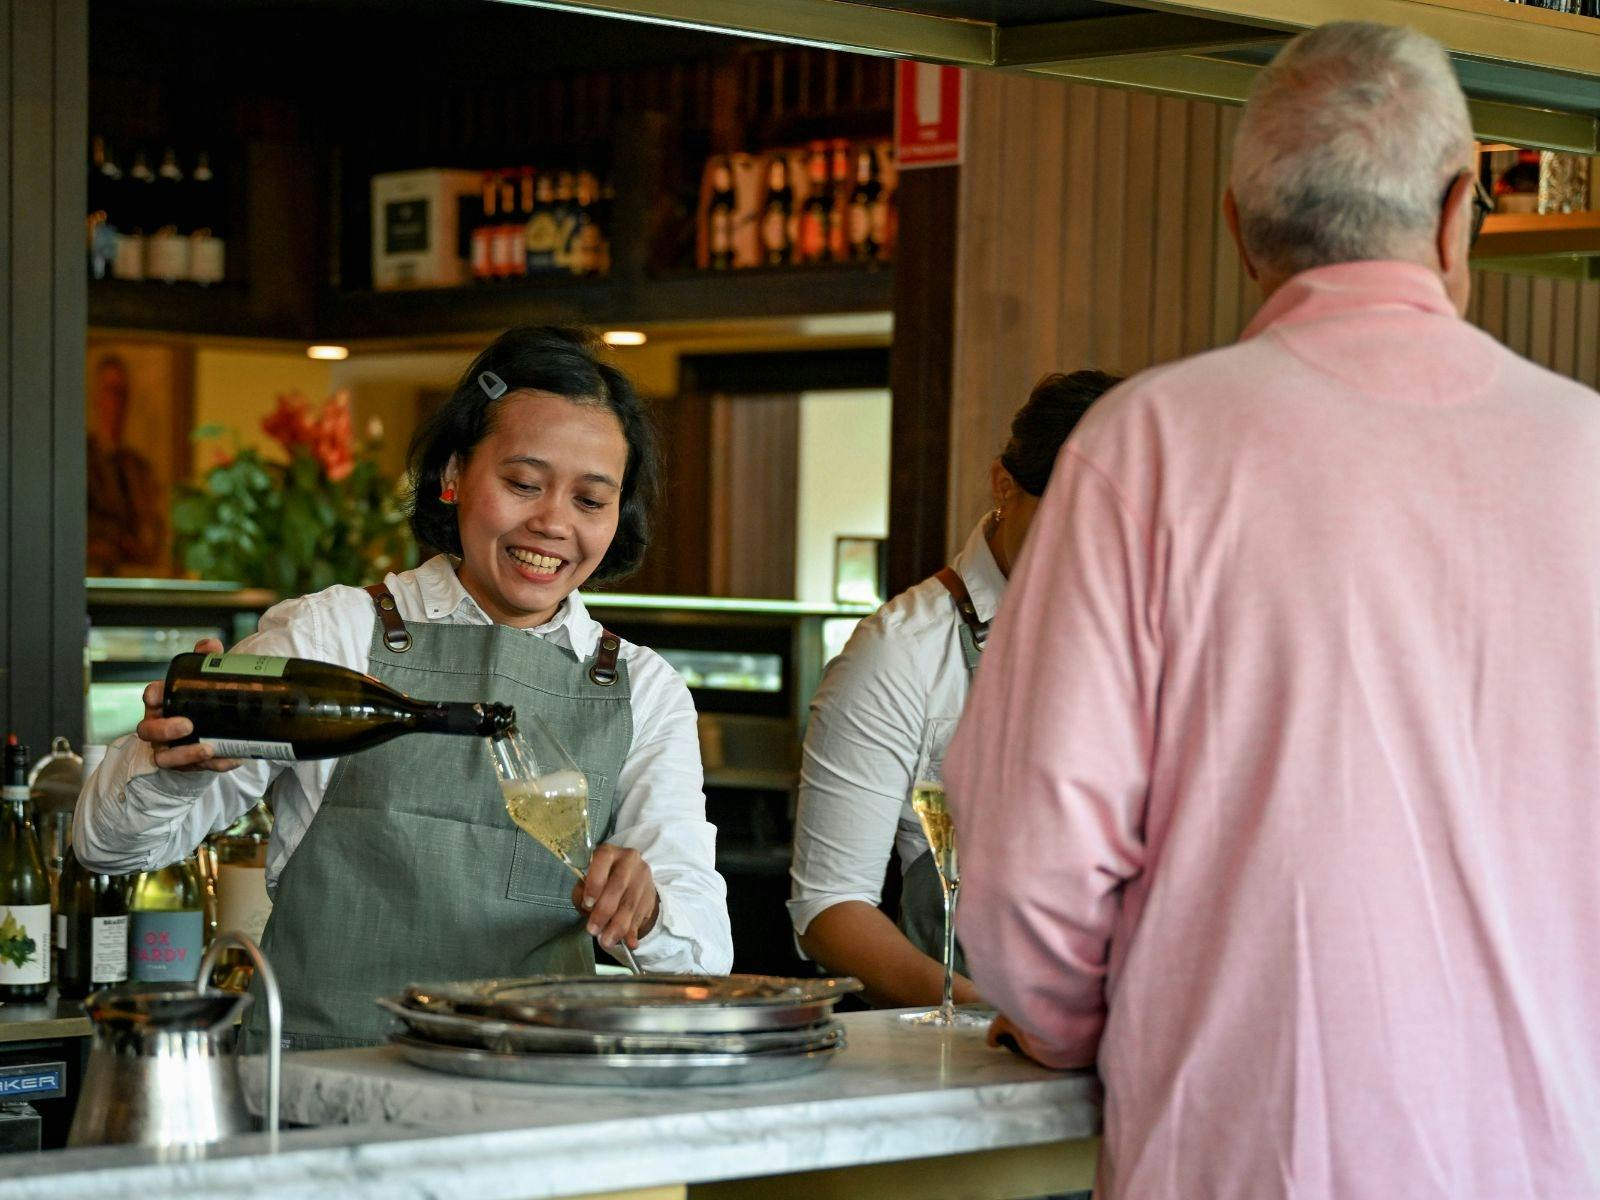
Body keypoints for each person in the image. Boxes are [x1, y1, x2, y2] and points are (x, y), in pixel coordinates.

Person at [948, 21, 1600, 1200]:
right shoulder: (1590, 455)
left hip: (1242, 1157)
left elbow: (1025, 874)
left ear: (1239, 228)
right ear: (1461, 214)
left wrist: (1070, 1025)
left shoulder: (1146, 450)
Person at [77, 326, 733, 1049]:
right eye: (523, 484)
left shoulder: (642, 689)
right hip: (316, 1097)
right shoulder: (335, 635)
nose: (552, 523)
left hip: (532, 1103)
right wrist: (174, 771)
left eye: (591, 500)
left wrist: (644, 912)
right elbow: (105, 847)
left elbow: (705, 951)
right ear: (454, 476)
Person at [789, 371, 1119, 1007]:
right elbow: (829, 909)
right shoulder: (901, 652)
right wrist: (990, 1020)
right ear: (1005, 486)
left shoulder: (1162, 635)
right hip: (974, 1034)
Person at [86, 353, 167, 576]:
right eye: (111, 391)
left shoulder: (137, 467)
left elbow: (153, 527)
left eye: (122, 394)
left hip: (136, 575)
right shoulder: (81, 460)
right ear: (97, 397)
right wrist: (117, 539)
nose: (117, 403)